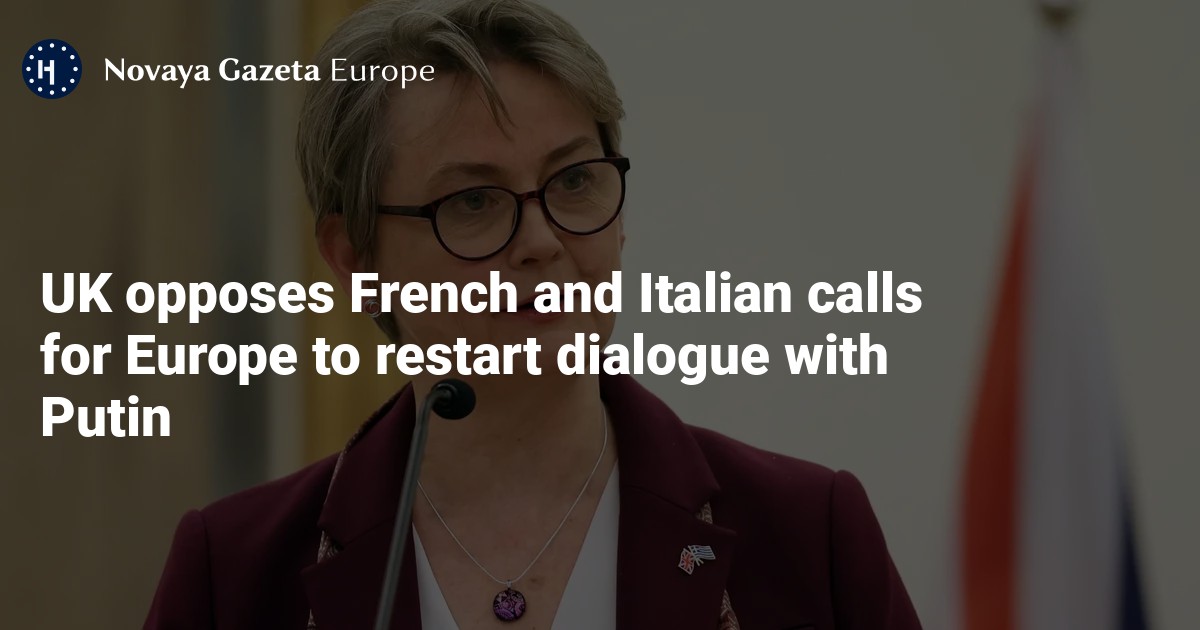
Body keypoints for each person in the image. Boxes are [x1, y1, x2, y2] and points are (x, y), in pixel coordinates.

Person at [145, 0, 922, 628]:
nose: (544, 242)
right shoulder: (236, 574)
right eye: (473, 202)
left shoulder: (806, 535)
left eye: (574, 182)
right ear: (354, 258)